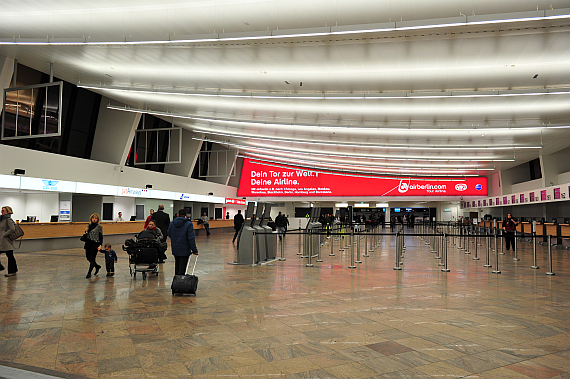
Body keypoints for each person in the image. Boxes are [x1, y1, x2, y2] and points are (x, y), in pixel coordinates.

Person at [168, 209, 198, 275]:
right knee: (182, 267)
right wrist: (194, 250)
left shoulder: (172, 223)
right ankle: (180, 282)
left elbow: (169, 233)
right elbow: (191, 238)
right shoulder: (189, 224)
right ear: (186, 215)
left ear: (178, 215)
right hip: (185, 248)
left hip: (175, 247)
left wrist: (175, 239)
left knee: (177, 265)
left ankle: (176, 280)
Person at [0, 206, 18, 277]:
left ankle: (12, 271)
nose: (2, 212)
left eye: (3, 211)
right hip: (1, 241)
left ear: (8, 212)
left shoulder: (8, 219)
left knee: (10, 256)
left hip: (6, 241)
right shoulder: (1, 219)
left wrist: (5, 234)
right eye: (1, 210)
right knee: (10, 256)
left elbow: (12, 229)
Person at [84, 213, 103, 278]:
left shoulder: (99, 227)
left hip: (95, 244)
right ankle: (97, 266)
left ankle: (89, 273)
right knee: (88, 257)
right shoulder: (89, 225)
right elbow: (87, 235)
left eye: (96, 218)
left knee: (92, 258)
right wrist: (86, 231)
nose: (94, 219)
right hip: (88, 243)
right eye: (93, 218)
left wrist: (100, 245)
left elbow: (101, 237)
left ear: (97, 219)